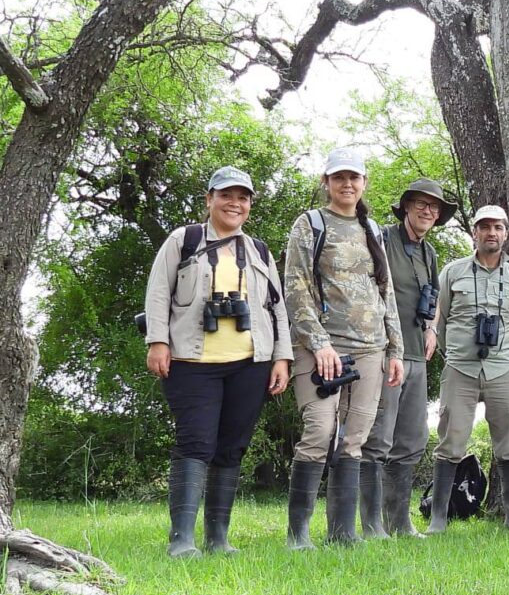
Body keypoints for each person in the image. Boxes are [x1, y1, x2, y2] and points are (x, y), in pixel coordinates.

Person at [143, 166, 292, 558]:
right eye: (226, 195)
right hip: (192, 360)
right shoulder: (184, 239)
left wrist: (282, 357)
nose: (235, 203)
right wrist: (158, 341)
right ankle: (182, 540)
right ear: (209, 199)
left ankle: (218, 538)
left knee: (232, 447)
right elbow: (158, 292)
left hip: (250, 360)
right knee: (195, 442)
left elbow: (277, 308)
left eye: (243, 197)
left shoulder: (258, 251)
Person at [283, 148, 404, 546]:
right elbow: (296, 287)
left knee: (355, 439)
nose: (347, 184)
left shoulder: (373, 230)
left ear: (364, 183)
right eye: (339, 178)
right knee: (319, 432)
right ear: (326, 182)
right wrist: (319, 344)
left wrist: (395, 350)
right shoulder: (311, 224)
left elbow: (384, 292)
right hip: (322, 348)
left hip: (371, 349)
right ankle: (298, 535)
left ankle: (342, 535)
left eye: (354, 178)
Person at [359, 178, 457, 538]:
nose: (428, 211)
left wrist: (433, 330)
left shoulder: (429, 253)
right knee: (378, 438)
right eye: (421, 203)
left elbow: (434, 300)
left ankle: (398, 522)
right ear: (406, 207)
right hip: (385, 353)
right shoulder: (381, 239)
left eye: (434, 207)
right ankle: (371, 526)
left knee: (413, 439)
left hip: (417, 354)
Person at [427, 205, 509, 534]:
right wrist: (455, 350)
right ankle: (438, 520)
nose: (491, 233)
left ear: (506, 233)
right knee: (451, 442)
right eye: (484, 227)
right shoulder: (453, 272)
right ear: (474, 232)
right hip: (461, 368)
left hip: (502, 368)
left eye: (498, 227)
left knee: (508, 444)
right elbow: (437, 320)